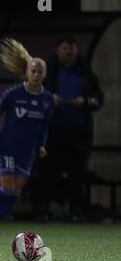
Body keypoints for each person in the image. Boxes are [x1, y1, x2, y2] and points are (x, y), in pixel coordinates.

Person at [0, 39, 55, 235]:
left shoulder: (48, 99)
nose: (36, 74)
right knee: (7, 188)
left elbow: (44, 125)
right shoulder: (14, 94)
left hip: (27, 151)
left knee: (15, 192)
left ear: (45, 74)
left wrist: (41, 145)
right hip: (6, 147)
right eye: (33, 70)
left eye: (40, 71)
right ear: (26, 72)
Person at [34, 36, 104, 222]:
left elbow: (98, 99)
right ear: (58, 50)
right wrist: (49, 100)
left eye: (72, 48)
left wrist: (84, 101)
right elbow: (33, 95)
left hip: (78, 132)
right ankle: (45, 210)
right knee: (48, 172)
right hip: (51, 132)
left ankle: (76, 211)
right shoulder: (47, 71)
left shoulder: (85, 71)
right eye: (65, 48)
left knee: (76, 173)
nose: (69, 52)